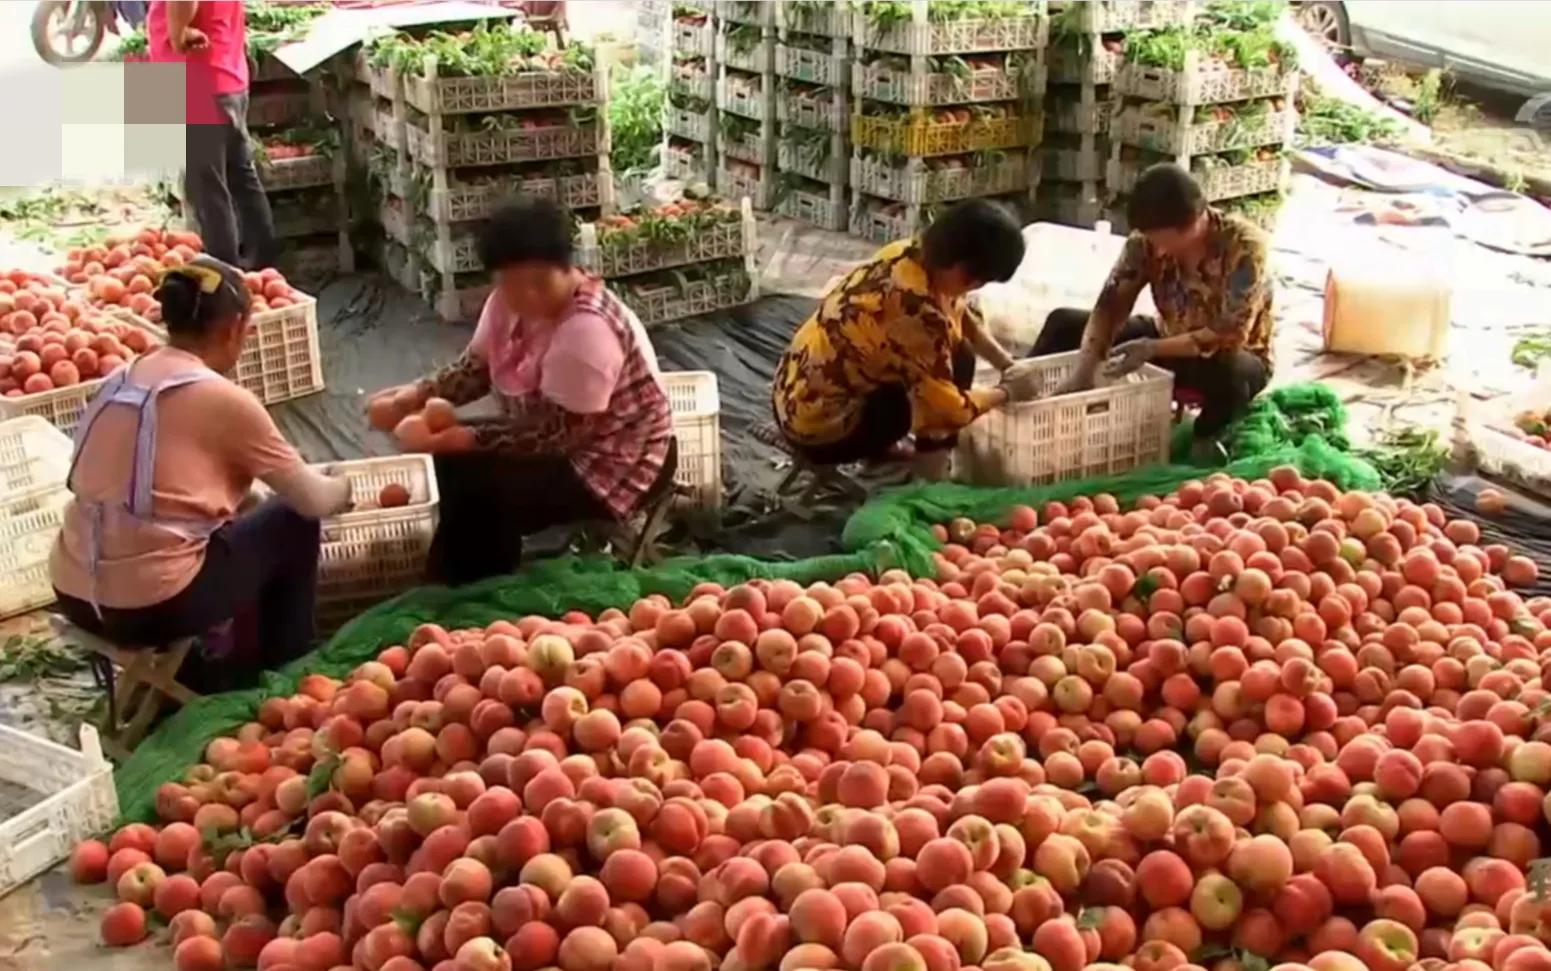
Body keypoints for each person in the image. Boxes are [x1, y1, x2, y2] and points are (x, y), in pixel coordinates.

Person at [50, 256, 352, 692]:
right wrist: (343, 484)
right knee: (291, 521)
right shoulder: (222, 399)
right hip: (151, 606)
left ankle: (208, 663)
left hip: (75, 593)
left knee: (233, 521)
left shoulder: (120, 379)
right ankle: (290, 670)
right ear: (234, 328)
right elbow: (314, 500)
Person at [367, 196, 677, 587]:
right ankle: (470, 571)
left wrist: (461, 437)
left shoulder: (586, 333)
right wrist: (411, 397)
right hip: (561, 436)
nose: (527, 297)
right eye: (512, 285)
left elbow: (556, 437)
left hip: (612, 462)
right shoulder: (506, 303)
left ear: (566, 269)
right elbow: (475, 368)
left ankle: (473, 589)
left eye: (540, 283)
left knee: (482, 485)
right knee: (455, 467)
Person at [771, 198, 1041, 481]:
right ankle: (929, 478)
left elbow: (958, 312)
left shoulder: (907, 254)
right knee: (908, 405)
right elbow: (949, 409)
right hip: (816, 429)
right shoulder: (916, 311)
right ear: (963, 271)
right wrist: (1007, 391)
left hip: (791, 393)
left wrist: (1005, 363)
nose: (974, 289)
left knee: (960, 354)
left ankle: (914, 453)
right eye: (980, 282)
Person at [1031, 163, 1273, 457]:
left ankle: (1204, 445)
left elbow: (1228, 334)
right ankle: (1025, 406)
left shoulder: (1244, 248)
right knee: (1064, 323)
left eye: (1164, 241)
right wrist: (1086, 365)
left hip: (1229, 355)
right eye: (1151, 240)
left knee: (1231, 372)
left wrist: (1151, 348)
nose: (1156, 251)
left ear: (1197, 221)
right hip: (1166, 337)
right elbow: (1111, 305)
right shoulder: (1143, 244)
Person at [147, 0, 278, 270]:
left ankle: (225, 279)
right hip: (227, 77)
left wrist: (177, 32)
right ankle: (262, 268)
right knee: (240, 177)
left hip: (199, 81)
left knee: (209, 191)